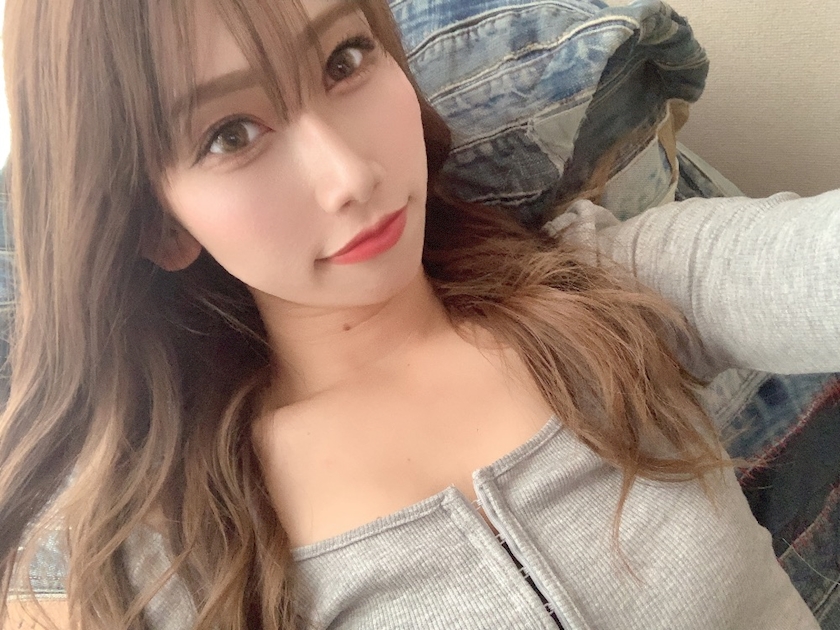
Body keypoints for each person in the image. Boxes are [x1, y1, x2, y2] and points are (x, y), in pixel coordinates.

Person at [0, 0, 837, 628]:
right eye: (230, 134)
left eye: (344, 60)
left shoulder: (607, 291)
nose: (349, 176)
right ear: (158, 223)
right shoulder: (184, 555)